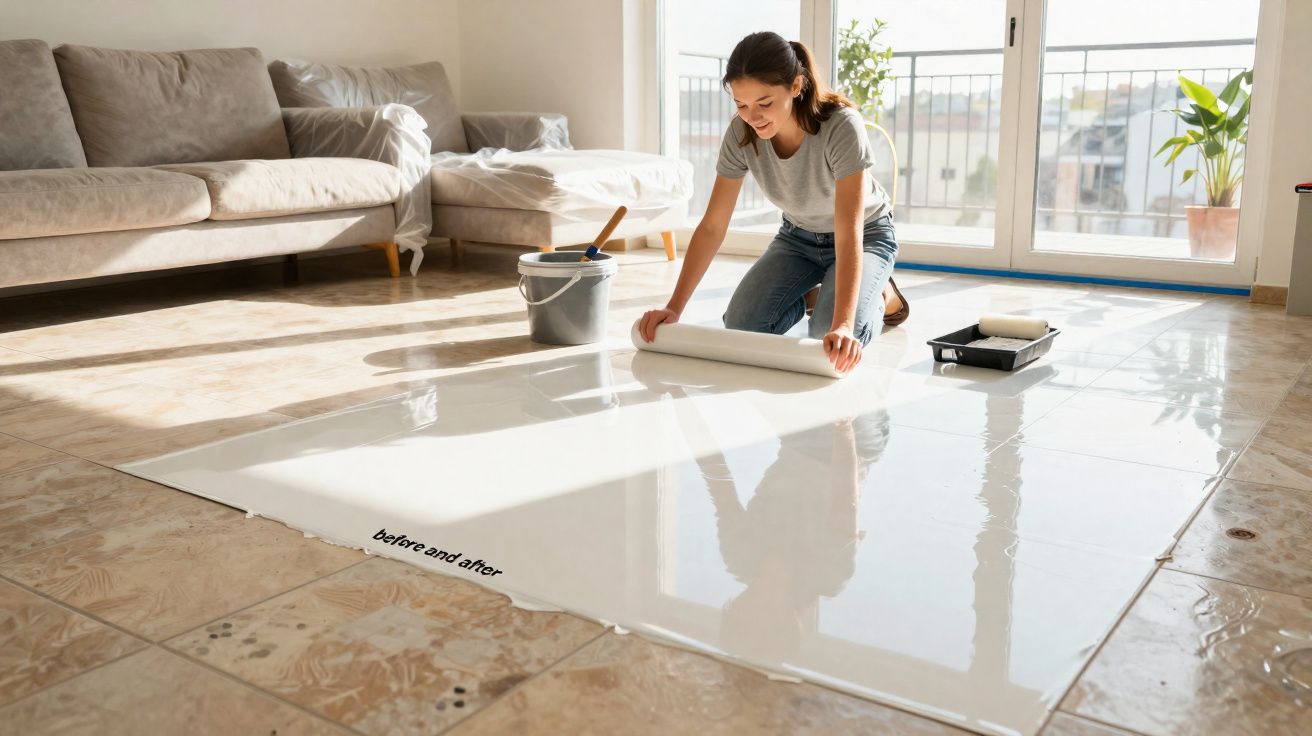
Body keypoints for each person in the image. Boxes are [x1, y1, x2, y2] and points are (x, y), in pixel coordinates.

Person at [638, 31, 908, 373]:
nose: (753, 116)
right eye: (741, 105)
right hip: (798, 237)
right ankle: (820, 293)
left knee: (829, 336)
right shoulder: (740, 134)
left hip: (865, 235)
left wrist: (842, 323)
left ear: (796, 86)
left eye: (764, 103)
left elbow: (849, 228)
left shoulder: (841, 126)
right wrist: (674, 308)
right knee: (742, 325)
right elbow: (713, 225)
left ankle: (882, 294)